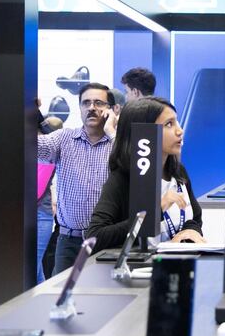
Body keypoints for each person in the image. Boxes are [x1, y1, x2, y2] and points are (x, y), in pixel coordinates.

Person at [86, 97, 205, 252]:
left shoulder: (178, 172)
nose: (179, 130)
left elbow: (194, 218)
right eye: (169, 124)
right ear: (145, 132)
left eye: (176, 122)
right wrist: (154, 211)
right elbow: (95, 237)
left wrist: (190, 232)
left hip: (176, 267)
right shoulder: (122, 179)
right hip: (138, 272)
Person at [37, 82, 117, 276]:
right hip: (69, 242)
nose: (91, 108)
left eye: (99, 103)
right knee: (62, 300)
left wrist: (113, 132)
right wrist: (30, 114)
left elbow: (135, 169)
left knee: (105, 300)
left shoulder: (118, 142)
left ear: (111, 110)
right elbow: (33, 146)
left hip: (107, 241)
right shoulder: (64, 139)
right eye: (86, 103)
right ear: (80, 108)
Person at [37, 116, 63, 283]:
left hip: (41, 215)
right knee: (35, 267)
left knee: (32, 266)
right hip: (39, 215)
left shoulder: (48, 158)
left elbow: (36, 189)